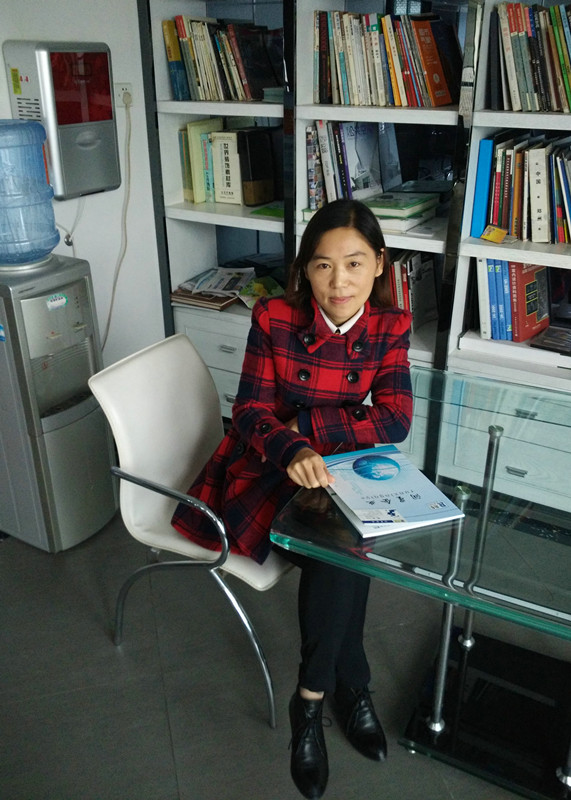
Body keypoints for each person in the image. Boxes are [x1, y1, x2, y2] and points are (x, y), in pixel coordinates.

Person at [171, 199, 413, 799]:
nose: (340, 282)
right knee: (343, 551)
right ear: (305, 269)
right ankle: (338, 689)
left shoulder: (390, 327)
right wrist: (293, 446)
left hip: (342, 467)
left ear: (379, 264)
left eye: (355, 263)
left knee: (346, 543)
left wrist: (307, 423)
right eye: (323, 265)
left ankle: (320, 693)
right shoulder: (275, 316)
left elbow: (396, 419)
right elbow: (250, 411)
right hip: (269, 466)